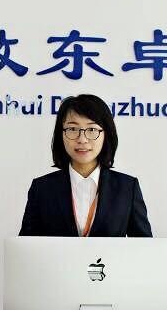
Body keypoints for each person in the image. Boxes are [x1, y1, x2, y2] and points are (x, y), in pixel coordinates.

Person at [19, 94, 153, 237]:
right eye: (72, 129)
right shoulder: (42, 188)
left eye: (92, 130)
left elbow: (144, 246)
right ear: (61, 134)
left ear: (106, 134)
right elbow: (25, 247)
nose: (82, 139)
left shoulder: (127, 188)